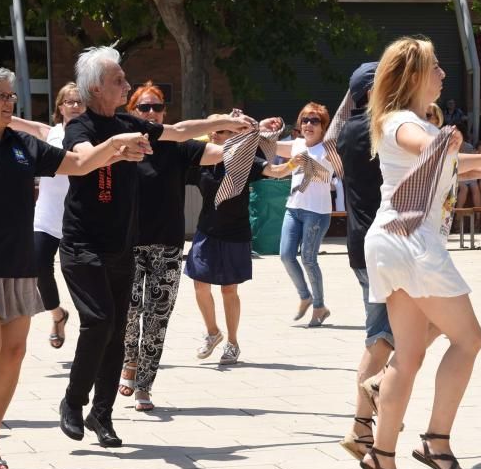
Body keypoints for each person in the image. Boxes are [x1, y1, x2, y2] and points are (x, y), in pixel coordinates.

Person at [0, 65, 150, 469]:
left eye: (11, 96)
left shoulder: (24, 145)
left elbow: (77, 163)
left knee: (15, 353)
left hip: (18, 264)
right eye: (1, 96)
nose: (9, 102)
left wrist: (115, 148)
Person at [57, 45, 251, 448]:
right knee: (100, 322)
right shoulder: (83, 126)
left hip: (120, 247)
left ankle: (102, 415)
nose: (126, 85)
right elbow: (82, 159)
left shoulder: (129, 123)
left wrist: (223, 122)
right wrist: (116, 146)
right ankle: (73, 402)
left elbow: (179, 132)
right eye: (118, 80)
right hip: (82, 244)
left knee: (115, 333)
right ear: (96, 88)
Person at [358, 36, 481, 469]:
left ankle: (382, 454)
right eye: (436, 68)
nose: (443, 75)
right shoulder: (400, 122)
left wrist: (480, 167)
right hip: (411, 244)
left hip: (396, 242)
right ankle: (435, 441)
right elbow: (424, 145)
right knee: (469, 339)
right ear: (413, 76)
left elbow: (437, 162)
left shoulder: (407, 123)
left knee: (407, 356)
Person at [187, 122, 291, 369]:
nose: (224, 136)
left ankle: (232, 342)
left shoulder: (245, 160)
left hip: (235, 232)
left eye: (231, 133)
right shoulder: (201, 160)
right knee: (200, 284)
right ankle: (213, 333)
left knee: (228, 290)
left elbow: (276, 172)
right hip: (206, 231)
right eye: (221, 131)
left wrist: (300, 161)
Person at [335, 61, 392, 459]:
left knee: (391, 334)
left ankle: (365, 425)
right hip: (380, 249)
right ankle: (362, 423)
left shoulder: (351, 128)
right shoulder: (375, 130)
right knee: (383, 337)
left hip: (366, 246)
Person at [30, 84, 83, 351]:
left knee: (79, 276)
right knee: (38, 266)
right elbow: (10, 122)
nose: (74, 106)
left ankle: (93, 331)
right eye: (69, 102)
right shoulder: (48, 132)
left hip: (79, 219)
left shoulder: (91, 136)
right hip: (47, 217)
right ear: (60, 107)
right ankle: (57, 315)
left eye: (79, 102)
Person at [273, 102, 335, 327]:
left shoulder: (329, 149)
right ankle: (305, 296)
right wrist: (257, 128)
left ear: (324, 127)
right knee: (286, 256)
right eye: (305, 120)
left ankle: (319, 306)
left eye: (315, 121)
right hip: (294, 208)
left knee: (309, 259)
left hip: (317, 212)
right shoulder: (296, 144)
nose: (308, 124)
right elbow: (266, 145)